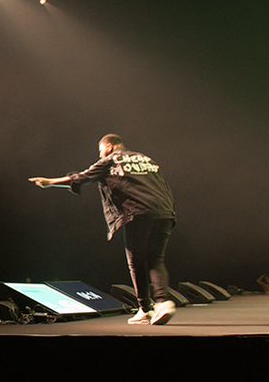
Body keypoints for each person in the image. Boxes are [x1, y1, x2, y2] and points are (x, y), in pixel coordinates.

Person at [29, 133, 178, 325]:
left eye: (100, 152)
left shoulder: (110, 160)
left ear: (109, 146)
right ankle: (162, 303)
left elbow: (81, 177)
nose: (100, 156)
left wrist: (50, 182)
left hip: (138, 212)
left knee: (136, 262)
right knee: (156, 260)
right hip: (164, 212)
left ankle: (145, 309)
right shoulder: (146, 159)